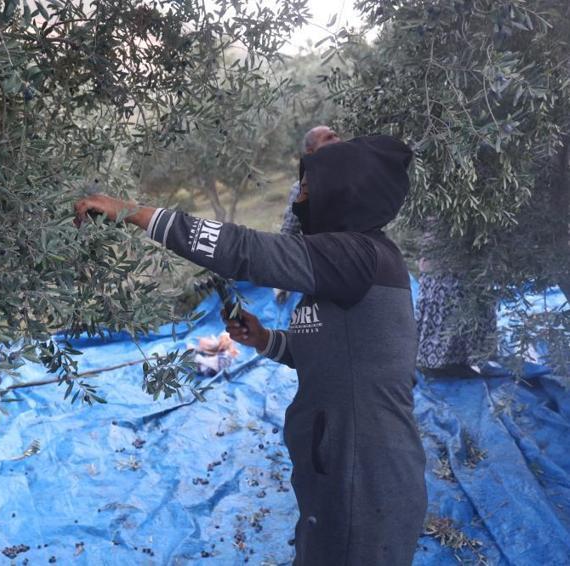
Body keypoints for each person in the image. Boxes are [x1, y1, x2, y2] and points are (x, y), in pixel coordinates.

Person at [75, 135, 427, 565]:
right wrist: (265, 340)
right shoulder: (347, 265)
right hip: (335, 464)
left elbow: (243, 251)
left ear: (344, 191)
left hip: (366, 473)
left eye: (309, 187)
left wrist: (132, 212)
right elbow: (332, 354)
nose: (300, 198)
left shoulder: (359, 255)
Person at [415, 221, 498, 377]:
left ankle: (466, 359)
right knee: (445, 294)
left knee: (467, 294)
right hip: (442, 252)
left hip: (472, 249)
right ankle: (438, 362)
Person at [276, 125, 342, 303]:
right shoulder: (302, 189)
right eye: (328, 138)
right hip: (326, 273)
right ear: (311, 152)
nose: (337, 140)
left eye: (336, 135)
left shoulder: (354, 178)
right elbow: (289, 233)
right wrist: (284, 281)